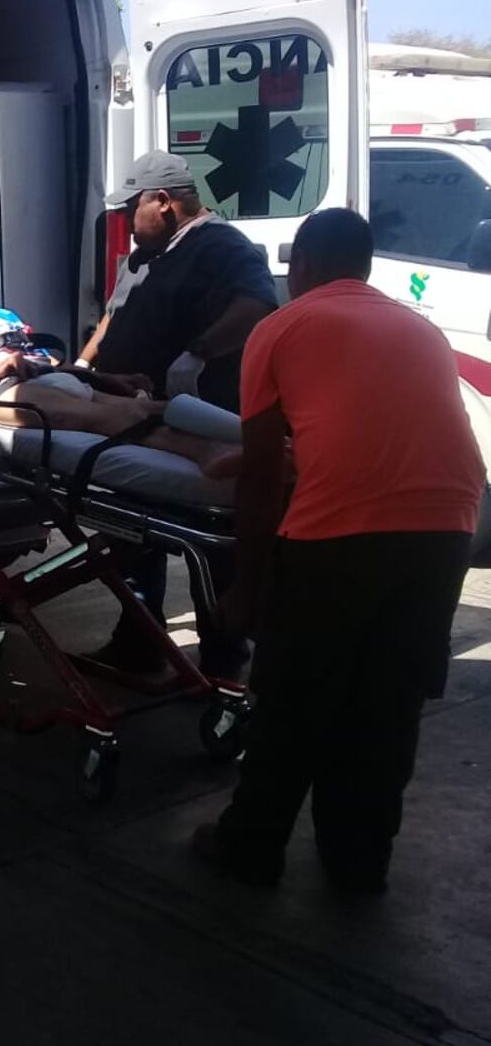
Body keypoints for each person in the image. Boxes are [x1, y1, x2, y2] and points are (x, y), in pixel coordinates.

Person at [193, 208, 485, 892]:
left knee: (293, 699)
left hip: (341, 536)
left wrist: (247, 586)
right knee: (389, 700)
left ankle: (251, 846)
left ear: (303, 267)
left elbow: (263, 477)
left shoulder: (280, 327)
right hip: (448, 525)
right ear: (365, 267)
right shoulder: (420, 328)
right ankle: (359, 860)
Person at [84, 151, 278, 680]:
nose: (125, 222)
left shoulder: (222, 248)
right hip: (132, 417)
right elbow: (112, 317)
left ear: (164, 202)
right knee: (131, 540)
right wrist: (83, 366)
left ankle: (222, 662)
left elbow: (254, 306)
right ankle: (139, 642)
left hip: (195, 415)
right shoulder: (142, 256)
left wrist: (199, 351)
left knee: (209, 549)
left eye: (132, 209)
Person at [0, 258, 241, 472]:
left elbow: (44, 362)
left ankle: (256, 439)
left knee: (159, 406)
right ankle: (208, 452)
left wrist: (104, 377)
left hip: (47, 377)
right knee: (123, 418)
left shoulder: (1, 315)